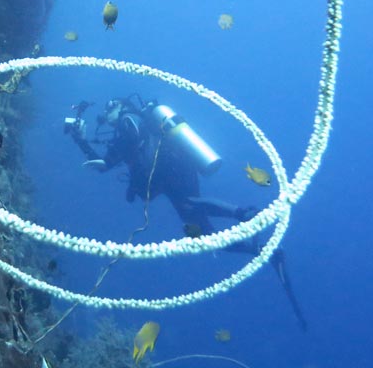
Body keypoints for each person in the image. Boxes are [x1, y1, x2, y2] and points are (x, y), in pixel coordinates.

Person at [64, 96, 308, 331]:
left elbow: (111, 159)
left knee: (191, 205)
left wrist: (84, 141)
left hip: (171, 169)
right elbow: (112, 161)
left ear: (120, 106)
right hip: (172, 172)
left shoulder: (129, 120)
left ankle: (243, 213)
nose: (106, 115)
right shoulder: (129, 127)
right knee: (203, 235)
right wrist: (84, 142)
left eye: (109, 109)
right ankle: (262, 250)